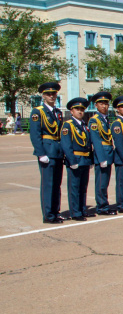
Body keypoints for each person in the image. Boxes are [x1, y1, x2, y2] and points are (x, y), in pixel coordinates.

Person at [29, 82, 64, 223]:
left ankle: (55, 211)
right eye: (48, 94)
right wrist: (40, 153)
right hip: (47, 151)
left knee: (57, 184)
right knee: (48, 184)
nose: (51, 96)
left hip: (57, 151)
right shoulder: (38, 111)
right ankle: (48, 215)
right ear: (43, 96)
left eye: (53, 93)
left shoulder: (58, 112)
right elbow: (35, 134)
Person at [60, 97, 92, 221]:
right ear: (71, 111)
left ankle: (83, 209)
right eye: (77, 109)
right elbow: (66, 145)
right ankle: (75, 212)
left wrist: (89, 159)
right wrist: (72, 161)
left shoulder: (84, 125)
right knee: (74, 188)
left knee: (83, 187)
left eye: (82, 109)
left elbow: (88, 144)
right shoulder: (68, 125)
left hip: (84, 160)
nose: (80, 111)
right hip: (75, 160)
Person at [88, 91, 116, 215]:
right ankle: (102, 207)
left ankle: (104, 204)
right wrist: (101, 158)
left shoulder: (105, 119)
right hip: (102, 155)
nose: (104, 106)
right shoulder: (94, 121)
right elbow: (96, 140)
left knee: (105, 182)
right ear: (96, 105)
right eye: (101, 104)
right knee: (101, 183)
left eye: (106, 104)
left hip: (108, 153)